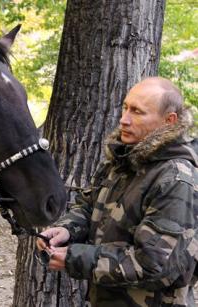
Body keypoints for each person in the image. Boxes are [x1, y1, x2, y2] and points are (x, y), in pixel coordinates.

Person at [37, 77, 198, 306]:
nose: (124, 120)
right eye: (125, 108)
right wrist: (66, 229)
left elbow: (154, 265)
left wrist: (75, 258)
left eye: (137, 112)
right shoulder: (123, 160)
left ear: (168, 121)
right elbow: (89, 206)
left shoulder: (175, 179)